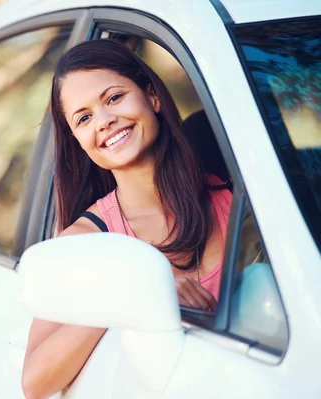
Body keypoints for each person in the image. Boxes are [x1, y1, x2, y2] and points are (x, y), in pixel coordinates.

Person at [21, 39, 232, 399]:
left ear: (151, 96)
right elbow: (36, 383)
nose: (104, 121)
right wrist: (139, 293)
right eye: (84, 118)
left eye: (114, 98)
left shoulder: (234, 198)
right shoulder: (86, 241)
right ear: (78, 140)